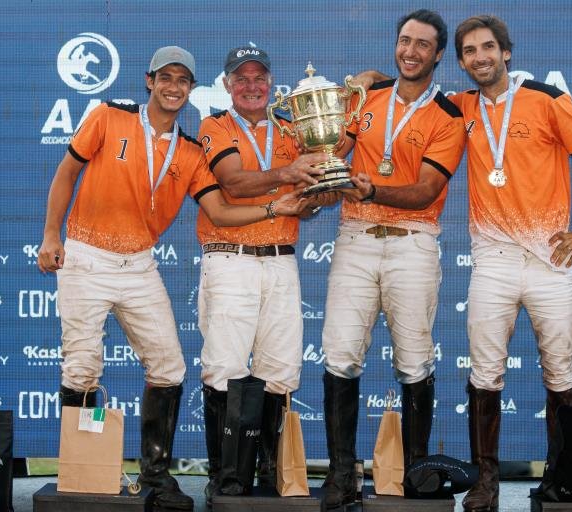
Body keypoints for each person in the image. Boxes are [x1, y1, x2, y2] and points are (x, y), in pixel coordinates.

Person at [37, 46, 307, 512]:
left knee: (169, 368)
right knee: (81, 367)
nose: (174, 86)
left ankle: (156, 476)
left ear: (192, 88)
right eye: (166, 77)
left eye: (183, 80)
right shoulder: (107, 116)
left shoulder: (189, 150)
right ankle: (80, 476)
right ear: (149, 81)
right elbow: (66, 174)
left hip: (140, 263)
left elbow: (219, 210)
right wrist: (49, 236)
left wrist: (276, 207)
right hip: (85, 253)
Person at [450, 15, 572, 512]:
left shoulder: (546, 99)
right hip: (493, 259)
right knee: (485, 373)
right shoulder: (460, 107)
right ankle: (486, 484)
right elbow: (407, 94)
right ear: (460, 62)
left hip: (550, 258)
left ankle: (561, 482)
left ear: (507, 53)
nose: (480, 57)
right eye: (470, 51)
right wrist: (370, 80)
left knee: (560, 372)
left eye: (488, 48)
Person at [318, 10, 466, 510]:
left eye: (423, 44)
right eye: (405, 41)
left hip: (413, 240)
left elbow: (426, 190)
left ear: (439, 54)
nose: (411, 51)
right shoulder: (365, 98)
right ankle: (342, 476)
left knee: (414, 361)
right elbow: (334, 148)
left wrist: (373, 187)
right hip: (356, 237)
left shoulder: (448, 116)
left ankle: (417, 473)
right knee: (340, 355)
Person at [195, 46, 329, 501]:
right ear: (227, 84)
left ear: (272, 83)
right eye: (241, 78)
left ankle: (270, 478)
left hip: (282, 260)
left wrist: (321, 188)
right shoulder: (215, 126)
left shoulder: (293, 129)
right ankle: (226, 480)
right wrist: (290, 173)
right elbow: (232, 183)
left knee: (280, 370)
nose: (251, 86)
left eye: (259, 78)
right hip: (230, 258)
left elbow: (310, 195)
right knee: (225, 370)